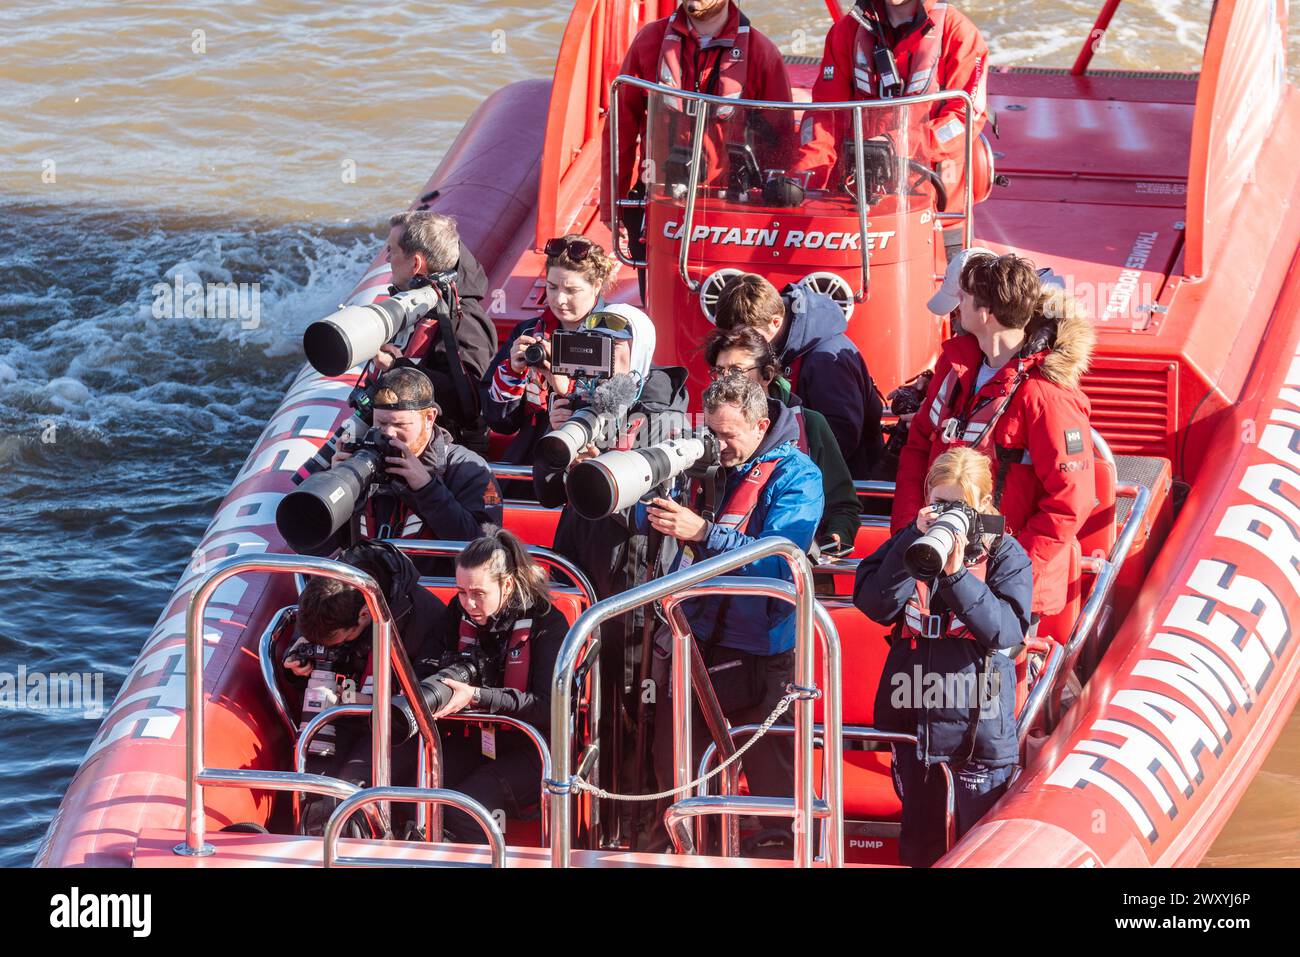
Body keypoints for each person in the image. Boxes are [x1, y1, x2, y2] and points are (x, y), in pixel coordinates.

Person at [639, 374, 823, 844]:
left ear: (762, 424)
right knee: (676, 772)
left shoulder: (798, 475)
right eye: (712, 433)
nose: (717, 446)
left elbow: (780, 562)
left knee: (772, 787)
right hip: (699, 644)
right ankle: (689, 848)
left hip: (764, 656)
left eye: (728, 435)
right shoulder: (704, 464)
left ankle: (784, 851)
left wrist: (702, 532)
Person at [891, 253, 1095, 622]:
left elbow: (1070, 501)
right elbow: (918, 447)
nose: (957, 309)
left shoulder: (1046, 395)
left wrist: (1011, 573)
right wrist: (910, 534)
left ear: (985, 313)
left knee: (994, 680)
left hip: (1001, 593)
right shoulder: (954, 368)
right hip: (938, 566)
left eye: (964, 298)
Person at [854, 447, 1031, 867]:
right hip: (911, 714)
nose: (947, 514)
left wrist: (954, 576)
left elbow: (1006, 631)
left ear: (983, 504)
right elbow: (874, 604)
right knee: (919, 843)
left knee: (977, 846)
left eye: (959, 506)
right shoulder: (909, 544)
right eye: (939, 503)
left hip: (978, 724)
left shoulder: (1007, 554)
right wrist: (911, 547)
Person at [600, 1, 795, 297]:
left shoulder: (761, 52)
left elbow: (781, 143)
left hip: (731, 210)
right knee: (659, 303)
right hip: (660, 202)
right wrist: (613, 200)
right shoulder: (648, 42)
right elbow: (620, 128)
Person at [286, 540, 448, 836]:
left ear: (363, 616)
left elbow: (429, 694)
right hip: (340, 717)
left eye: (337, 643)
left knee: (350, 795)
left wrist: (382, 706)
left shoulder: (426, 619)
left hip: (396, 730)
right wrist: (299, 658)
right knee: (314, 788)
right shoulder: (326, 596)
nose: (327, 648)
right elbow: (313, 629)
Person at [792, 0, 988, 224]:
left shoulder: (959, 33)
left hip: (937, 212)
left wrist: (893, 145)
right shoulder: (846, 31)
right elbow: (824, 117)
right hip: (856, 205)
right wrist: (804, 180)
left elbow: (964, 119)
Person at [311, 366, 502, 553]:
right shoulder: (358, 460)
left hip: (429, 582)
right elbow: (310, 546)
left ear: (429, 418)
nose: (388, 434)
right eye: (381, 423)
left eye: (399, 424)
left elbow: (487, 553)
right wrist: (339, 486)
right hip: (366, 579)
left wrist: (427, 489)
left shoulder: (469, 469)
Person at [714, 272, 884, 480]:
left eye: (749, 335)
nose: (741, 343)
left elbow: (840, 439)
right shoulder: (787, 348)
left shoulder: (825, 361)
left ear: (775, 322)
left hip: (836, 486)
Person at [704, 325, 859, 551]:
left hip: (790, 564)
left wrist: (835, 537)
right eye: (719, 371)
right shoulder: (707, 427)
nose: (725, 380)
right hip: (709, 570)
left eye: (737, 371)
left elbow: (842, 503)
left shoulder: (809, 425)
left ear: (767, 374)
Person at [481, 235, 619, 465]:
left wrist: (567, 389)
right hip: (534, 453)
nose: (559, 300)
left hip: (591, 458)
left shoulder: (616, 337)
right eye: (552, 287)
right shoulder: (528, 332)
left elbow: (627, 413)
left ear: (596, 286)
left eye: (571, 290)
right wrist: (513, 373)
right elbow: (500, 423)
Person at [369, 211, 499, 453]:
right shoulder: (414, 307)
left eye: (392, 251)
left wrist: (398, 367)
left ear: (416, 263)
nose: (387, 258)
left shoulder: (464, 319)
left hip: (443, 455)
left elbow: (469, 403)